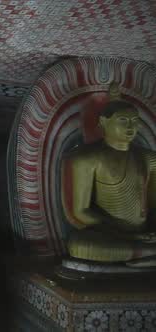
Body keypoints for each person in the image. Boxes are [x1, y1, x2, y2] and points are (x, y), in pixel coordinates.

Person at [62, 87, 156, 267]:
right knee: (79, 245)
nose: (130, 127)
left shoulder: (150, 159)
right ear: (104, 122)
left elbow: (154, 207)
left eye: (134, 121)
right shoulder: (86, 158)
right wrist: (125, 234)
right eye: (123, 120)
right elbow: (79, 213)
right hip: (108, 234)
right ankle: (146, 255)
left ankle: (142, 255)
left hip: (144, 235)